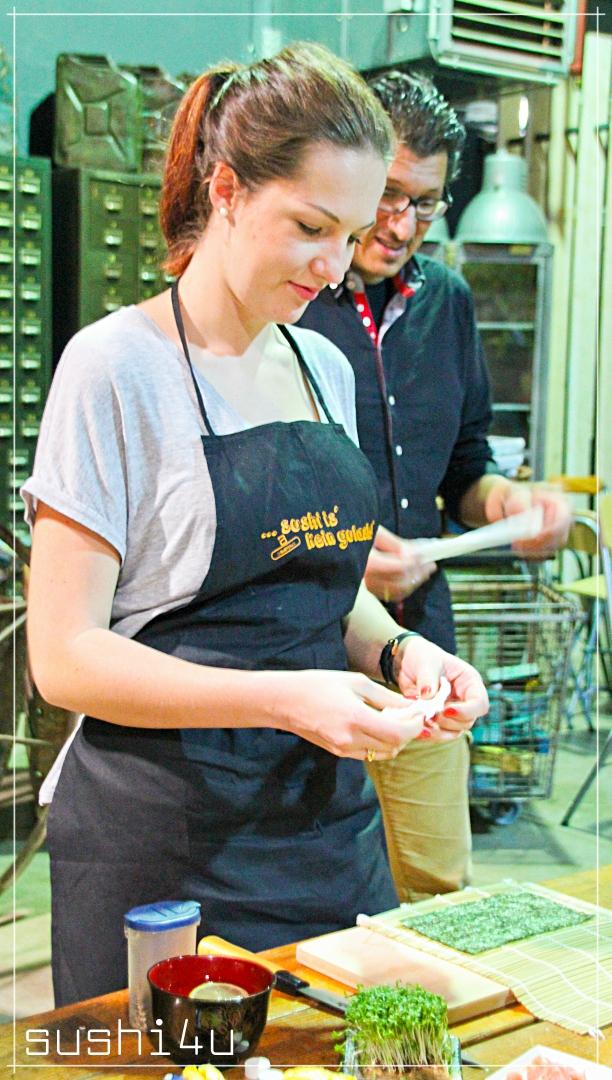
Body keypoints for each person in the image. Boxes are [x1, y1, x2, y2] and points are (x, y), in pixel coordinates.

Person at [23, 46, 488, 1006]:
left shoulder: (322, 367)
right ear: (227, 190)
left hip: (324, 832)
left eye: (350, 233)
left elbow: (324, 587)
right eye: (310, 227)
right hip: (164, 851)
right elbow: (64, 659)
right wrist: (286, 700)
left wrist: (401, 653)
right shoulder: (117, 368)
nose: (333, 265)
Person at [299, 71, 571, 902]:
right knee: (313, 905)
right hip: (308, 661)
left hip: (421, 658)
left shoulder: (445, 300)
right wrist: (347, 557)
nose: (400, 224)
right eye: (387, 195)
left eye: (424, 202)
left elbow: (464, 469)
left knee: (436, 892)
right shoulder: (293, 296)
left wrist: (507, 505)